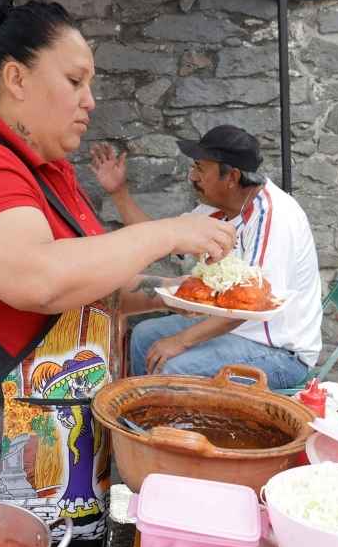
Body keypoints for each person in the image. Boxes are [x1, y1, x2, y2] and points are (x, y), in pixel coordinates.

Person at [0, 0, 235, 529]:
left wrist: (171, 296)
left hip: (42, 445)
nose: (90, 100)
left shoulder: (51, 176)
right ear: (16, 78)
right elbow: (38, 280)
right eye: (75, 81)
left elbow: (88, 283)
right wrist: (168, 231)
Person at [90, 125, 323, 390]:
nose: (192, 176)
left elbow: (252, 307)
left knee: (173, 367)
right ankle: (145, 425)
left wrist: (181, 341)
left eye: (200, 168)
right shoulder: (219, 207)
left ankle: (166, 427)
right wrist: (119, 193)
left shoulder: (275, 217)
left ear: (232, 176)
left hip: (279, 353)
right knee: (143, 337)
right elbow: (156, 239)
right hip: (236, 331)